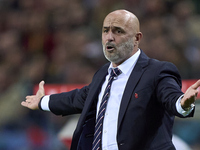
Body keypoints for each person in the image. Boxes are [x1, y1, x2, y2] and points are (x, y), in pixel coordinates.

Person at [21, 9, 200, 150]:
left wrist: (183, 103)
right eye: (106, 30)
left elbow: (171, 97)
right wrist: (43, 101)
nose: (109, 37)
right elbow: (77, 98)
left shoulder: (157, 71)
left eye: (118, 31)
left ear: (137, 38)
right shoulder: (102, 74)